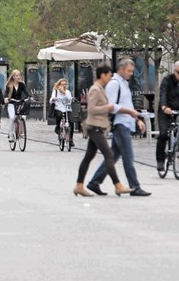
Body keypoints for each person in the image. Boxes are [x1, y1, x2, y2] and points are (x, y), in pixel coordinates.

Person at [87, 59, 151, 197]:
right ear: (121, 69)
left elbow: (128, 104)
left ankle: (94, 182)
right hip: (120, 124)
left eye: (132, 71)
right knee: (128, 156)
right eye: (129, 71)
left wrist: (136, 119)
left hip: (126, 123)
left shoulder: (124, 83)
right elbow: (111, 106)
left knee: (114, 156)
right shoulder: (114, 84)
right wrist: (130, 113)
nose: (131, 74)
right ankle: (135, 187)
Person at [73, 64, 135, 197]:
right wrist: (108, 107)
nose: (110, 78)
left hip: (97, 127)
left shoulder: (100, 88)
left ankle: (79, 185)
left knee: (88, 157)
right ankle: (118, 185)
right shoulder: (95, 89)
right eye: (109, 75)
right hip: (94, 127)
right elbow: (91, 109)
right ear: (102, 75)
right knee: (109, 155)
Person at [3, 70, 29, 144]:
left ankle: (21, 131)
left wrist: (30, 97)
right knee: (12, 117)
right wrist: (6, 98)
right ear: (13, 77)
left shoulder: (22, 84)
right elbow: (6, 94)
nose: (18, 77)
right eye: (17, 75)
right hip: (12, 103)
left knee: (23, 117)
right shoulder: (9, 85)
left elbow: (26, 92)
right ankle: (11, 134)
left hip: (19, 103)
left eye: (19, 75)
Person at [50, 79, 75, 148]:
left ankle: (70, 139)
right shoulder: (55, 91)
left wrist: (64, 92)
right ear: (59, 85)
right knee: (59, 115)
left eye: (65, 84)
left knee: (71, 122)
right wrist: (53, 99)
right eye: (62, 84)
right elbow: (51, 100)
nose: (63, 86)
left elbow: (69, 98)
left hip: (67, 109)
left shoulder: (67, 92)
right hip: (59, 108)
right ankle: (58, 127)